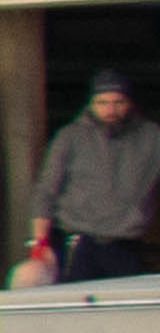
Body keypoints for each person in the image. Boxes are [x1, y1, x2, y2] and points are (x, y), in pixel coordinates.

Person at [33, 65, 160, 280]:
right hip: (80, 242)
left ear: (129, 103)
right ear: (91, 104)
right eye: (102, 102)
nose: (110, 110)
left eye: (118, 102)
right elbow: (46, 190)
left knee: (124, 300)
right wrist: (40, 242)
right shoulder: (70, 137)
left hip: (126, 243)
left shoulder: (151, 137)